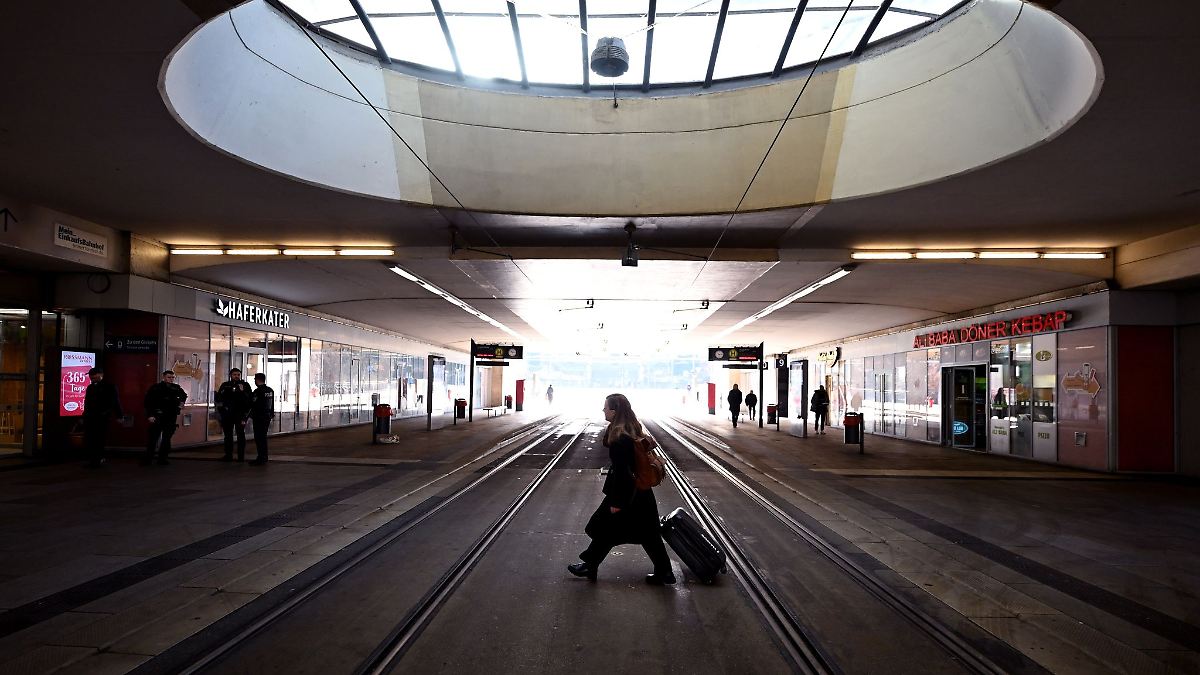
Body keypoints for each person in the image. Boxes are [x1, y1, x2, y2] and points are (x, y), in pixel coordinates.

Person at [568, 394, 674, 585]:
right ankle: (664, 571)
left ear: (614, 411)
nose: (603, 410)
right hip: (640, 492)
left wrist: (617, 502)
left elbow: (622, 472)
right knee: (646, 534)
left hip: (628, 494)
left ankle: (590, 565)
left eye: (606, 407)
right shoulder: (632, 430)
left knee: (606, 527)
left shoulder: (619, 439)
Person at [143, 370, 187, 465]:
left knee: (166, 439)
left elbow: (184, 395)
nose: (171, 379)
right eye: (169, 377)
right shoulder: (156, 388)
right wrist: (150, 415)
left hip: (171, 416)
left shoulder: (176, 388)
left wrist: (182, 402)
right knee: (153, 438)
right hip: (158, 415)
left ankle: (162, 459)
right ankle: (148, 459)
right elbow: (148, 402)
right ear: (164, 377)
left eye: (172, 377)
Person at [82, 367, 122, 468]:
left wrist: (119, 415)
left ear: (101, 375)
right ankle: (94, 459)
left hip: (102, 416)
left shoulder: (109, 387)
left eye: (94, 376)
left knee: (99, 438)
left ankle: (97, 459)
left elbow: (115, 401)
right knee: (92, 438)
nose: (92, 378)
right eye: (91, 376)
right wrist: (84, 415)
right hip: (91, 416)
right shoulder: (90, 387)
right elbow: (87, 402)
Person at [215, 368, 253, 461]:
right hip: (228, 414)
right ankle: (228, 455)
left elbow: (249, 399)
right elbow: (219, 398)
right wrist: (222, 410)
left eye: (238, 375)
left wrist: (242, 391)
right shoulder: (225, 385)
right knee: (228, 435)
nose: (236, 376)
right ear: (231, 375)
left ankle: (241, 456)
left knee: (240, 435)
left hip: (240, 414)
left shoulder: (245, 385)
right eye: (234, 375)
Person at [248, 372, 275, 466]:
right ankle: (264, 457)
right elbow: (271, 404)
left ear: (257, 380)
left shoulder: (258, 391)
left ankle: (261, 457)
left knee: (259, 438)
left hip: (259, 417)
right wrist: (271, 414)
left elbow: (252, 403)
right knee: (263, 437)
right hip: (267, 417)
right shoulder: (270, 390)